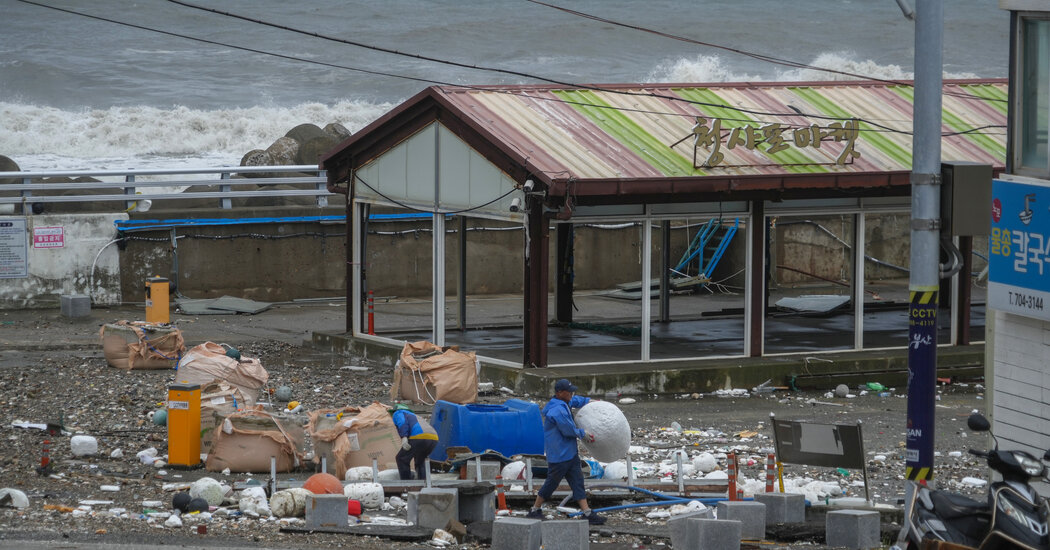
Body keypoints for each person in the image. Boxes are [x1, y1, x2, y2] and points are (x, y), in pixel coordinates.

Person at [526, 378, 606, 525]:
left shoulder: (563, 402)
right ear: (560, 393)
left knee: (577, 482)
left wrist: (589, 401)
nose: (571, 394)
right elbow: (568, 430)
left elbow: (575, 400)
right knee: (551, 483)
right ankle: (534, 510)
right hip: (559, 455)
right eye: (569, 392)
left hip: (569, 453)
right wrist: (583, 433)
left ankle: (587, 512)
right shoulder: (557, 411)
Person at [390, 404, 438, 480]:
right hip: (433, 438)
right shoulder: (415, 416)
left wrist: (404, 437)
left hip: (419, 436)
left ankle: (406, 484)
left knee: (401, 458)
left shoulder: (398, 412)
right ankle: (423, 482)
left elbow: (402, 423)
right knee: (420, 460)